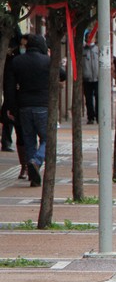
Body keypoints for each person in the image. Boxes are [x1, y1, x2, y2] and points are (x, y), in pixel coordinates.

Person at [8, 34, 67, 187]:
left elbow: (10, 87)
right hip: (43, 105)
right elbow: (63, 74)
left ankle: (32, 174)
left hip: (24, 106)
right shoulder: (48, 61)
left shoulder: (17, 61)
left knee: (29, 140)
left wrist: (11, 107)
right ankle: (36, 160)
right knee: (48, 138)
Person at [2, 34, 26, 178]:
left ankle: (28, 165)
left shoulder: (14, 61)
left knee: (23, 136)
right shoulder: (14, 61)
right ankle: (28, 164)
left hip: (19, 104)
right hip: (19, 105)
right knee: (24, 136)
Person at [82, 31, 99, 124]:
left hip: (97, 78)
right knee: (88, 99)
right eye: (88, 36)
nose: (90, 38)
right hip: (87, 78)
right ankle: (90, 117)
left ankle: (98, 116)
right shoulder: (83, 50)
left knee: (98, 97)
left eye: (92, 36)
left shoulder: (97, 49)